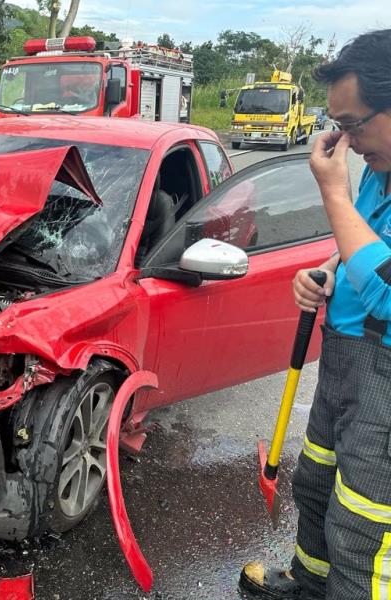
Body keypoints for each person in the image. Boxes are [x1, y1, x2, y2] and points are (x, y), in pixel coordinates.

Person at [239, 29, 391, 599]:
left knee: (364, 524)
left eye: (354, 124)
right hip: (346, 362)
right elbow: (368, 247)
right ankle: (309, 586)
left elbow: (388, 294)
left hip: (386, 380)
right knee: (319, 486)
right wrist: (327, 270)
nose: (346, 143)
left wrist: (332, 194)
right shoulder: (381, 173)